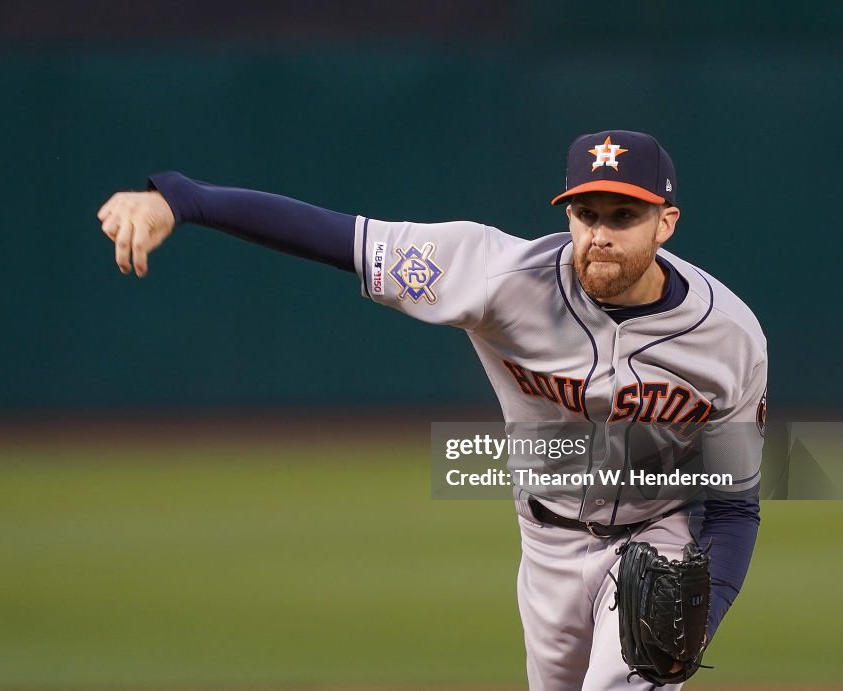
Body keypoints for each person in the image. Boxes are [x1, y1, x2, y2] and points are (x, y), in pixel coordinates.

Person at [97, 130, 766, 690]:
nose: (601, 233)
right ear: (566, 214)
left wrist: (700, 614)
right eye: (587, 213)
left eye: (624, 215)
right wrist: (183, 201)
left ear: (666, 222)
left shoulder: (729, 336)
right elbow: (338, 237)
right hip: (547, 545)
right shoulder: (497, 275)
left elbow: (735, 501)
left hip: (661, 539)